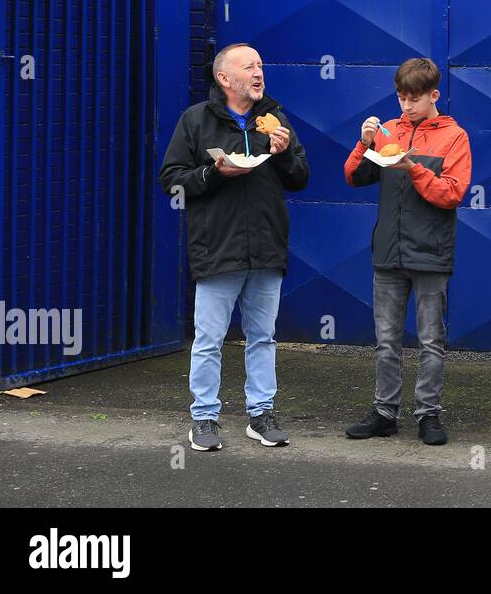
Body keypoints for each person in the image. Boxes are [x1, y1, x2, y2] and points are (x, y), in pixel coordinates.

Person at [158, 43, 310, 452]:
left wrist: (280, 155)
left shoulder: (275, 120)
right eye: (249, 67)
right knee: (209, 340)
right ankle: (204, 419)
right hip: (217, 247)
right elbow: (171, 179)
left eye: (261, 65)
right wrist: (214, 172)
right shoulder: (196, 120)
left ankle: (261, 415)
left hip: (265, 246)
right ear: (224, 78)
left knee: (263, 337)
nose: (259, 72)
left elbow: (300, 178)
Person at [343, 59, 471, 447]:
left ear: (434, 95)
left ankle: (428, 414)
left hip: (431, 253)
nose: (406, 107)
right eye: (401, 98)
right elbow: (354, 176)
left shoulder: (454, 136)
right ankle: (385, 412)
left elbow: (450, 194)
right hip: (388, 251)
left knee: (431, 340)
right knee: (386, 340)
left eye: (414, 99)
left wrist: (411, 166)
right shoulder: (388, 131)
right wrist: (364, 143)